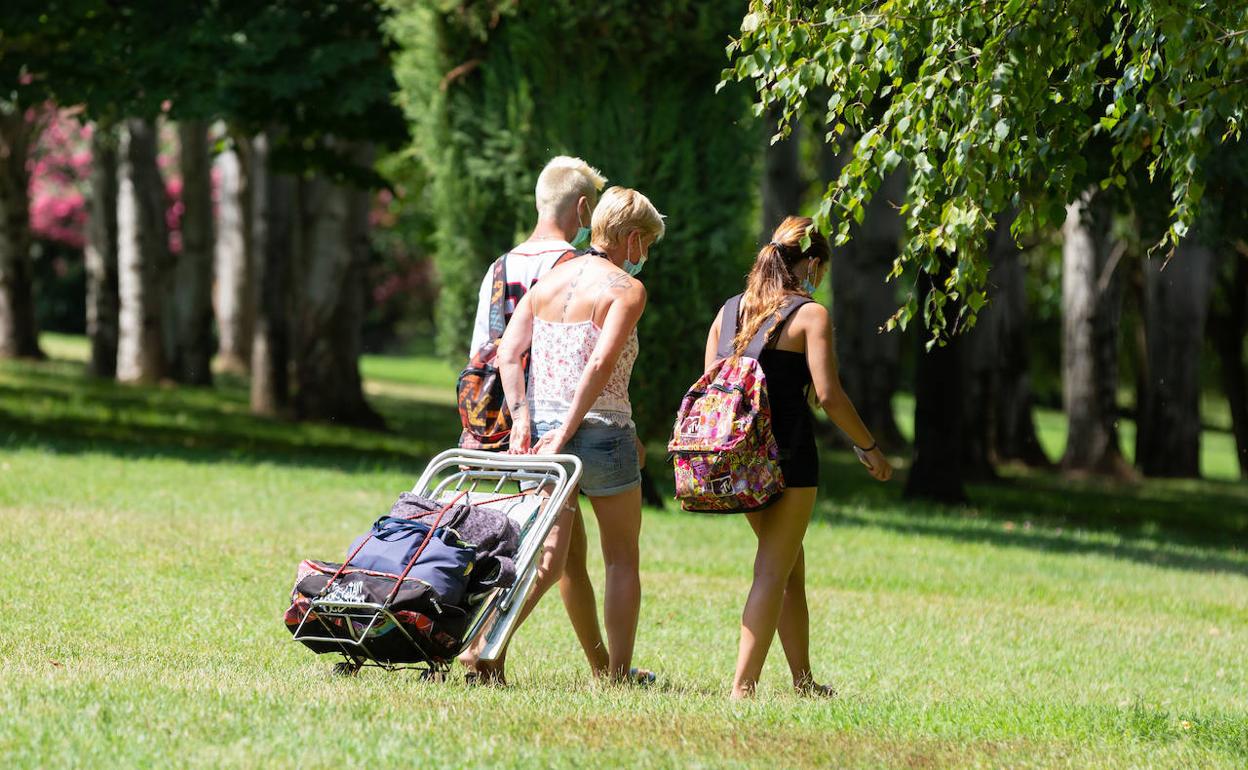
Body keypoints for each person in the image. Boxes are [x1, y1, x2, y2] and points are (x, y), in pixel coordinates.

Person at [475, 186, 664, 684]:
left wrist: (523, 421)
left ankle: (485, 647)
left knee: (545, 555)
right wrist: (569, 428)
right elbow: (601, 363)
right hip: (603, 433)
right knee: (622, 557)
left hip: (540, 440)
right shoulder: (626, 289)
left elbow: (508, 353)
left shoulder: (549, 282)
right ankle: (618, 674)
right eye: (646, 241)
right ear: (629, 237)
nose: (645, 253)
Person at [701, 215, 893, 699]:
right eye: (820, 270)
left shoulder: (729, 312)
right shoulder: (810, 315)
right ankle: (742, 688)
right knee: (772, 569)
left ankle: (803, 681)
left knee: (788, 567)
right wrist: (869, 447)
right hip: (787, 458)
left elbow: (711, 388)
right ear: (810, 263)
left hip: (737, 460)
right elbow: (829, 396)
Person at [458, 155, 608, 684]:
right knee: (549, 557)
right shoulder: (579, 268)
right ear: (584, 207)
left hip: (494, 423)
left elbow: (483, 351)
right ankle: (481, 649)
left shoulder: (498, 267)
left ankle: (604, 670)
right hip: (547, 430)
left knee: (571, 557)